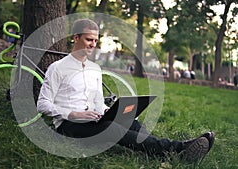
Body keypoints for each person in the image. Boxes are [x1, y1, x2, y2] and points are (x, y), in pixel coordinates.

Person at [37, 18, 215, 162]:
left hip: (93, 119)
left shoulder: (95, 69)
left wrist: (108, 111)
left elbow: (97, 101)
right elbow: (42, 105)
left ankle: (166, 153)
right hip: (68, 126)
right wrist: (74, 114)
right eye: (88, 40)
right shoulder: (57, 68)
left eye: (95, 41)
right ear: (75, 38)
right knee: (112, 129)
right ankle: (177, 150)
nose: (92, 44)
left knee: (131, 120)